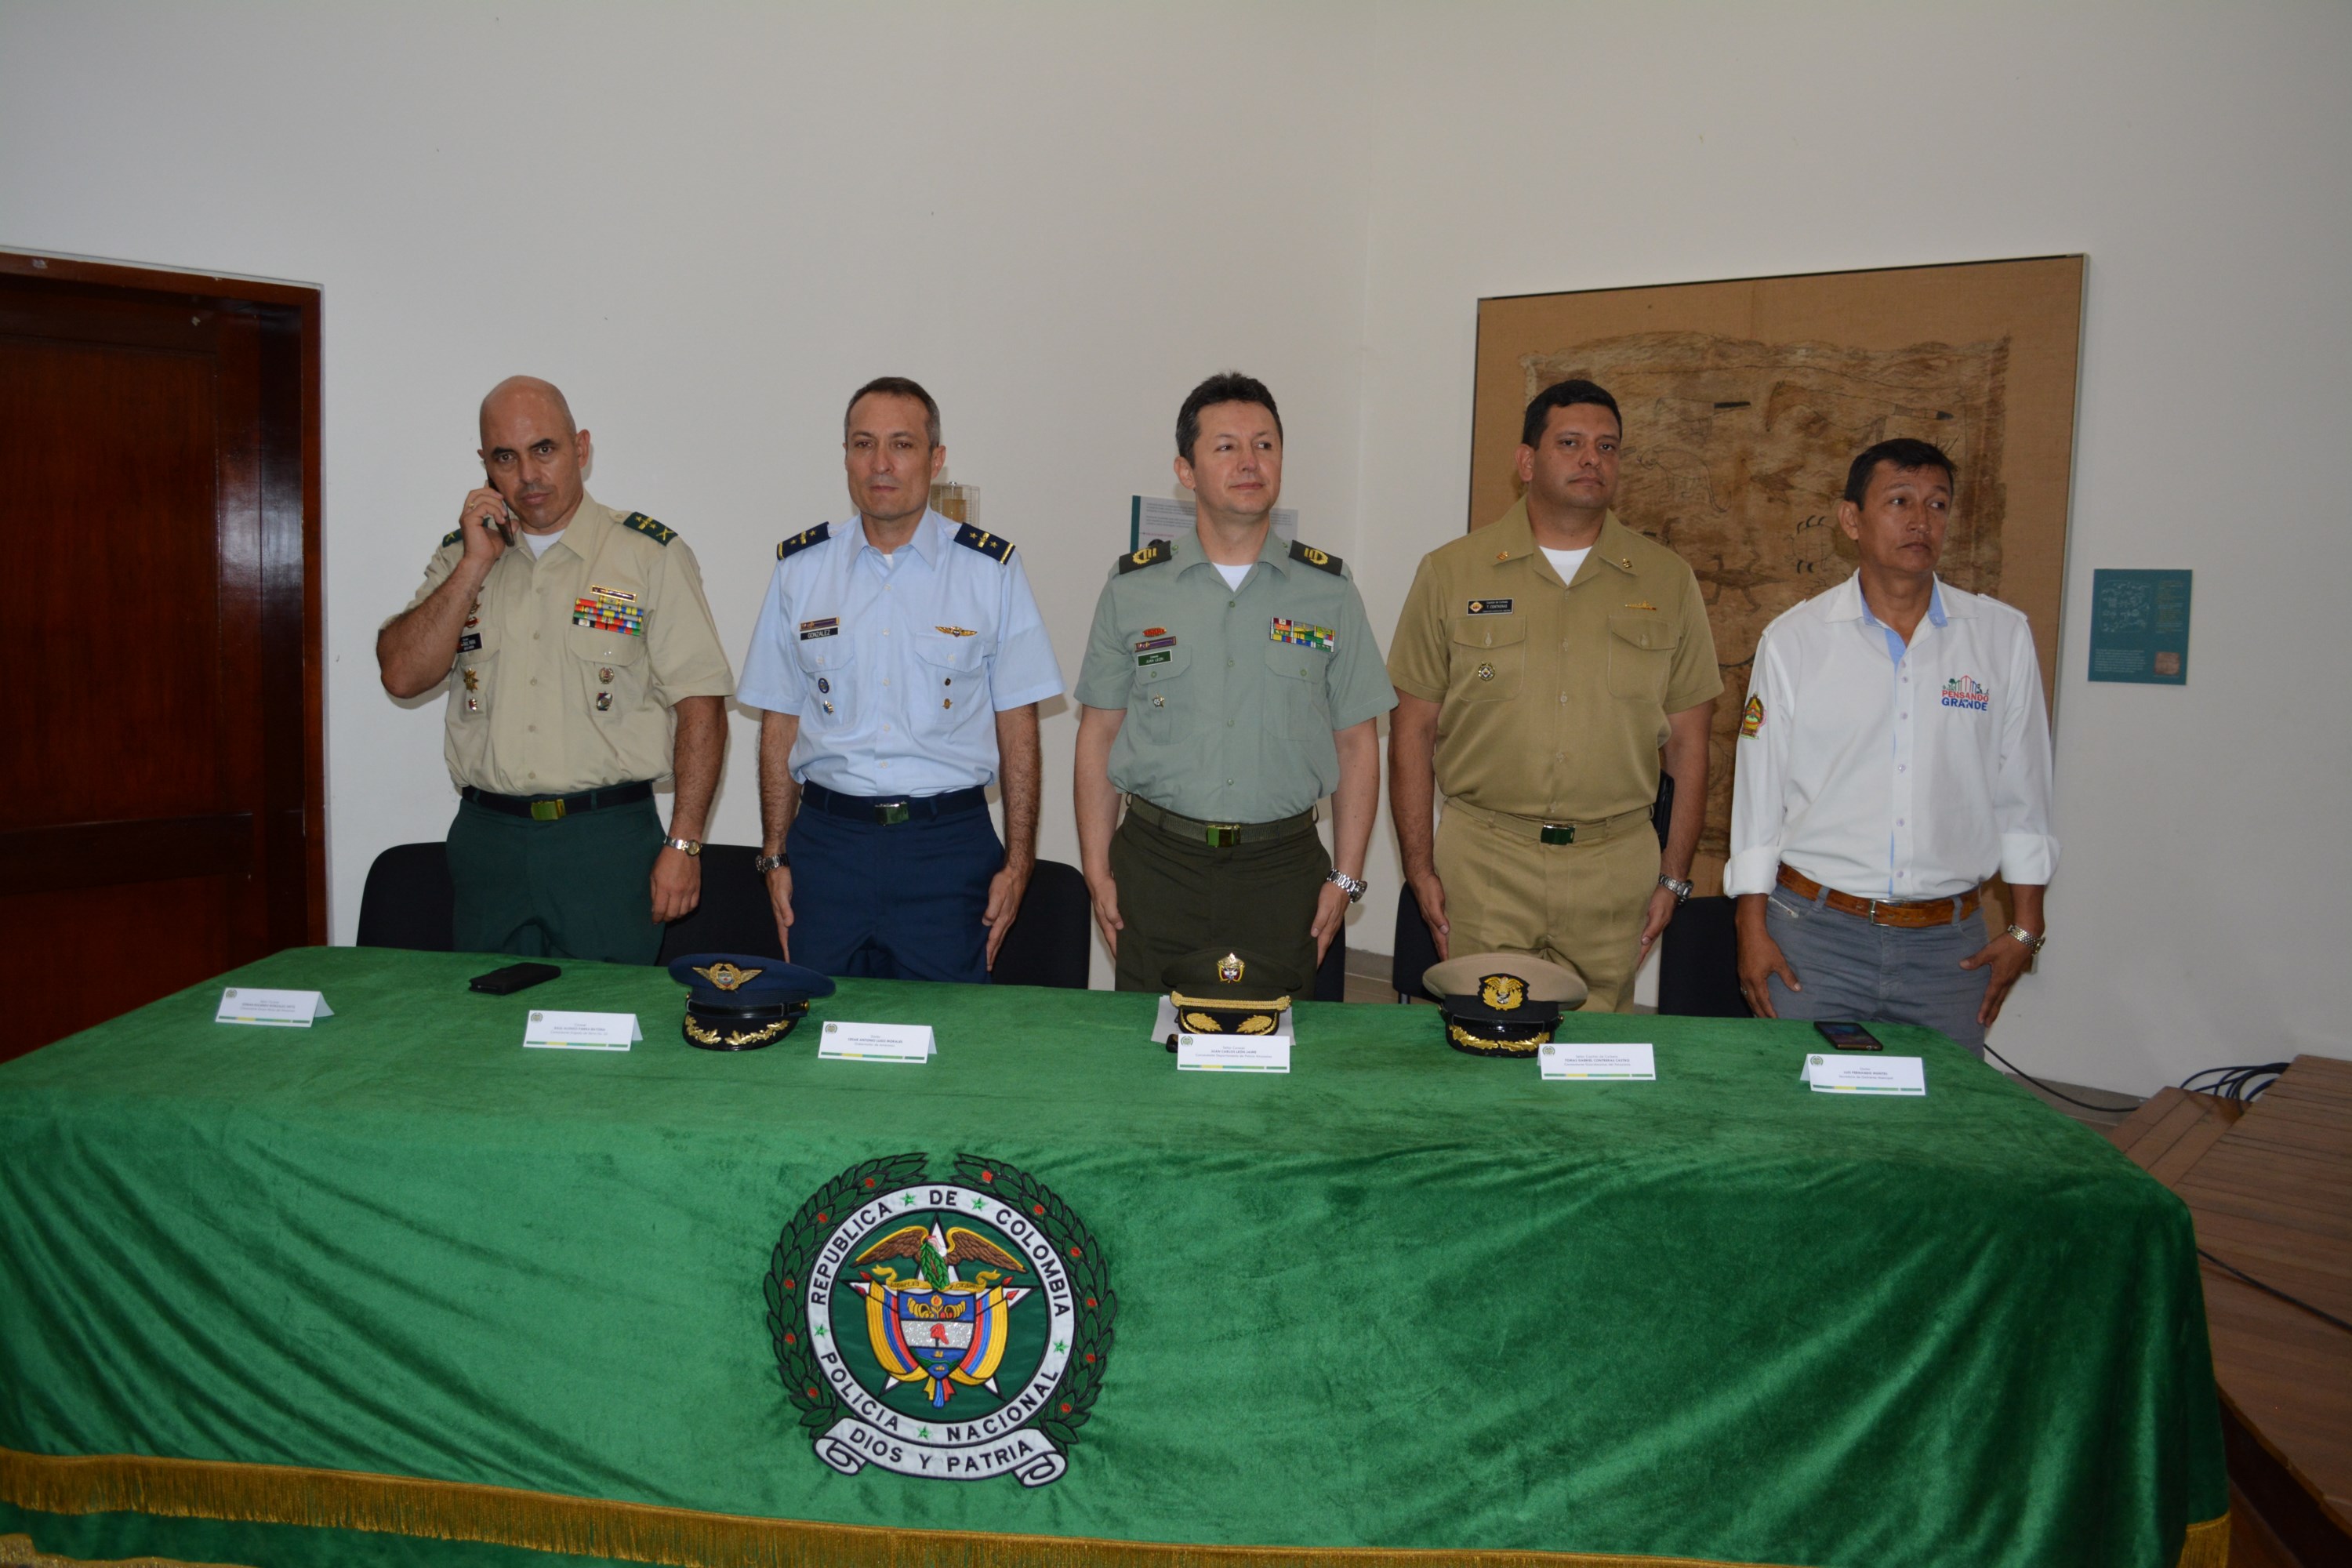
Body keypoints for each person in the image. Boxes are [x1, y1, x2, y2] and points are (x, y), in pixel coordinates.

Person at [1386, 378, 1720, 1012]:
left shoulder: (1668, 581)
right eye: (1570, 443)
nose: (1592, 459)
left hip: (1614, 864)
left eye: (1608, 446)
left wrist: (1673, 877)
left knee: (1595, 1065)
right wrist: (1420, 867)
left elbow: (1690, 745)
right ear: (1525, 461)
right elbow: (1413, 731)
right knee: (1483, 1041)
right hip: (1487, 858)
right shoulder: (1451, 572)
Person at [376, 376, 733, 963]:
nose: (528, 475)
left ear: (581, 449)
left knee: (603, 1032)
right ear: (485, 465)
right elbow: (401, 675)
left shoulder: (646, 555)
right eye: (505, 458)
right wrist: (472, 566)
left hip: (604, 843)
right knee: (486, 1030)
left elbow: (701, 705)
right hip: (489, 840)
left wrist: (686, 843)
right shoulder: (462, 554)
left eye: (544, 449)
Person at [1726, 437, 2056, 1053]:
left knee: (1939, 1131)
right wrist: (1751, 926)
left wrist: (2026, 927)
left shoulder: (1999, 639)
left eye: (1937, 505)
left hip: (1949, 949)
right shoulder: (1796, 640)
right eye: (1899, 501)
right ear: (1851, 519)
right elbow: (1759, 800)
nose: (1919, 521)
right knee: (1806, 1120)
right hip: (1815, 937)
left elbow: (2024, 794)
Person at [1073, 372, 1394, 995]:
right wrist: (1095, 866)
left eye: (1265, 445)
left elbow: (1359, 742)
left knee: (1280, 1068)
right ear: (1185, 471)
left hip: (1283, 872)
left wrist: (1348, 876)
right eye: (1226, 447)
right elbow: (1099, 732)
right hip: (1158, 867)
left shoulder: (1327, 590)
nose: (1250, 462)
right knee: (1150, 1058)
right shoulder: (1133, 588)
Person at [737, 377, 1062, 983]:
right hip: (828, 850)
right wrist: (774, 853)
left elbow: (1018, 727)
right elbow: (780, 720)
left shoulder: (989, 572)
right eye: (863, 444)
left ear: (936, 460)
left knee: (948, 1045)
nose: (880, 464)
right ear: (845, 457)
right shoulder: (800, 571)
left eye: (902, 445)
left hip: (947, 853)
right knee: (812, 1035)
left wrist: (1019, 863)